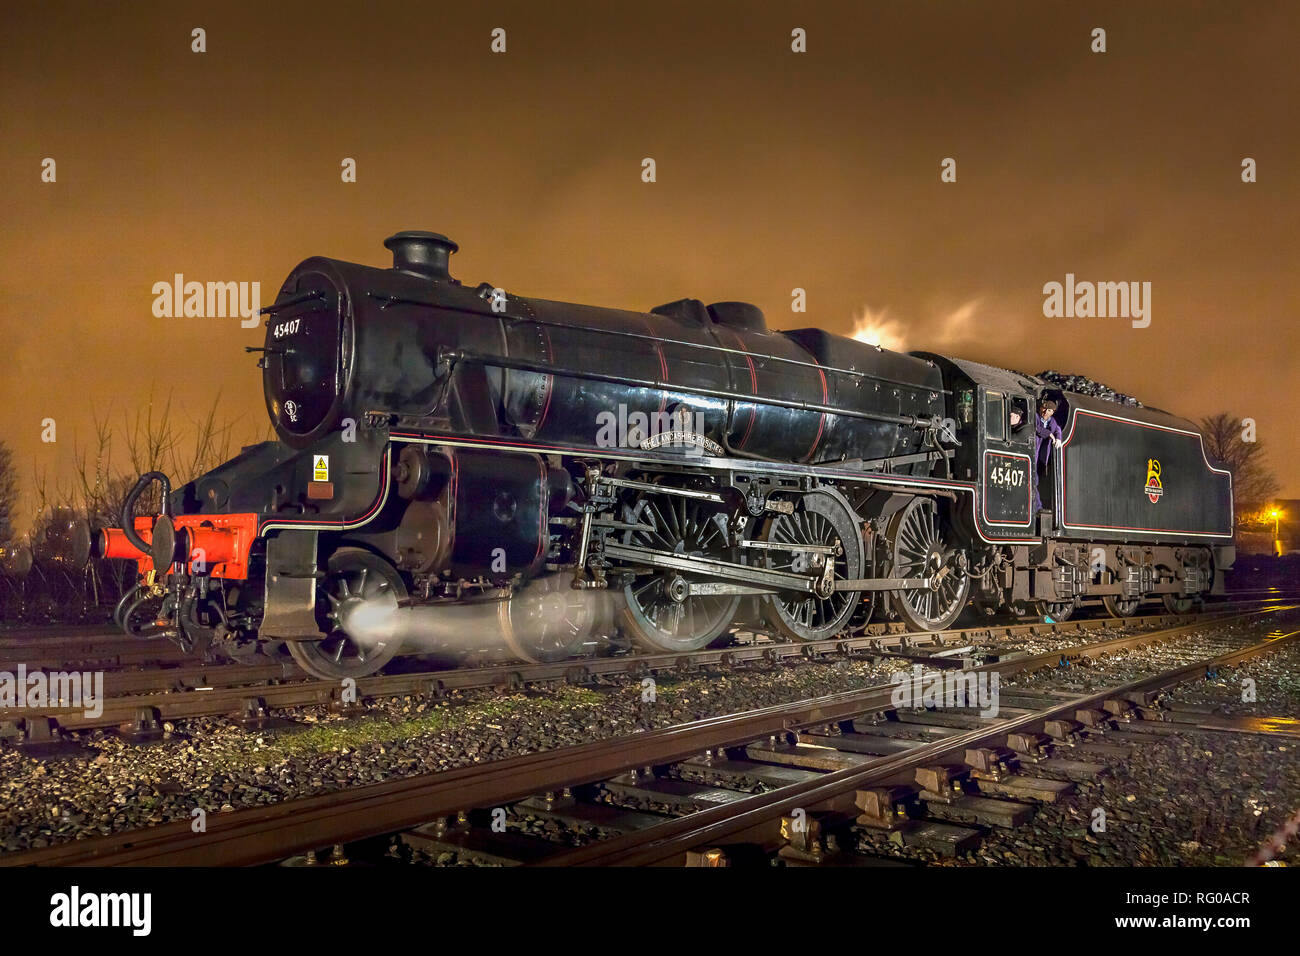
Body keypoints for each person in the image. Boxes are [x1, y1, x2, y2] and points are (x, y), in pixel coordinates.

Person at [1033, 398, 1063, 512]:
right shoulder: (1035, 417)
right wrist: (1049, 434)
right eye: (1044, 409)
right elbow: (1036, 428)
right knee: (1033, 480)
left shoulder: (1052, 421)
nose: (1045, 412)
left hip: (1041, 455)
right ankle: (1037, 507)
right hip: (1032, 451)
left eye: (1049, 410)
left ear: (1052, 412)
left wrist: (1059, 438)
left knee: (1035, 479)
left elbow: (1058, 429)